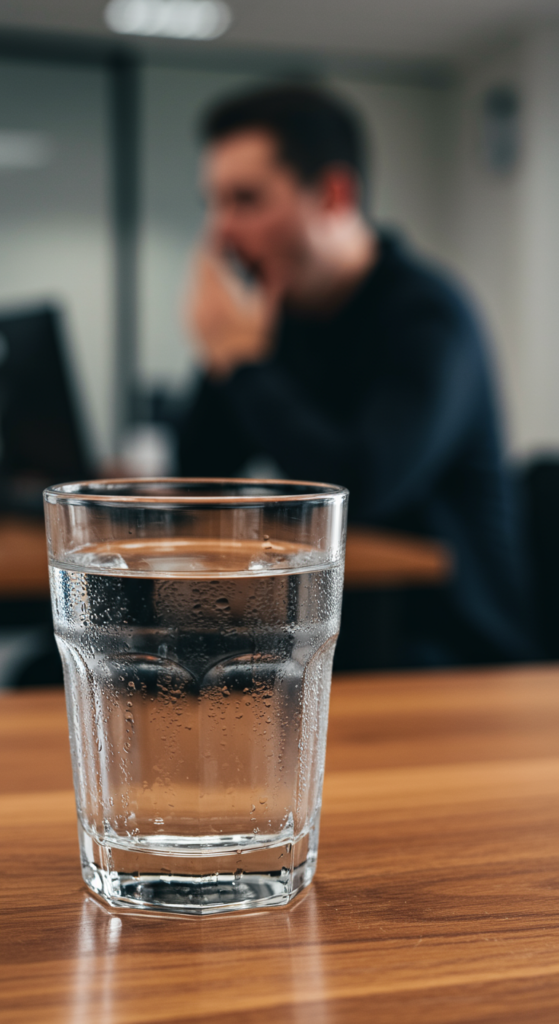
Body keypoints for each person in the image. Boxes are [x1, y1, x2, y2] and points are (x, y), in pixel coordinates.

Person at [178, 83, 534, 666]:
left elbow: (362, 485)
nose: (221, 233)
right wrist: (223, 356)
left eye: (245, 200)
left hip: (450, 649)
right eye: (213, 204)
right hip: (330, 632)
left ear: (334, 194)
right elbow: (198, 475)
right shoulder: (280, 321)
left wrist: (243, 364)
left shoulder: (428, 314)